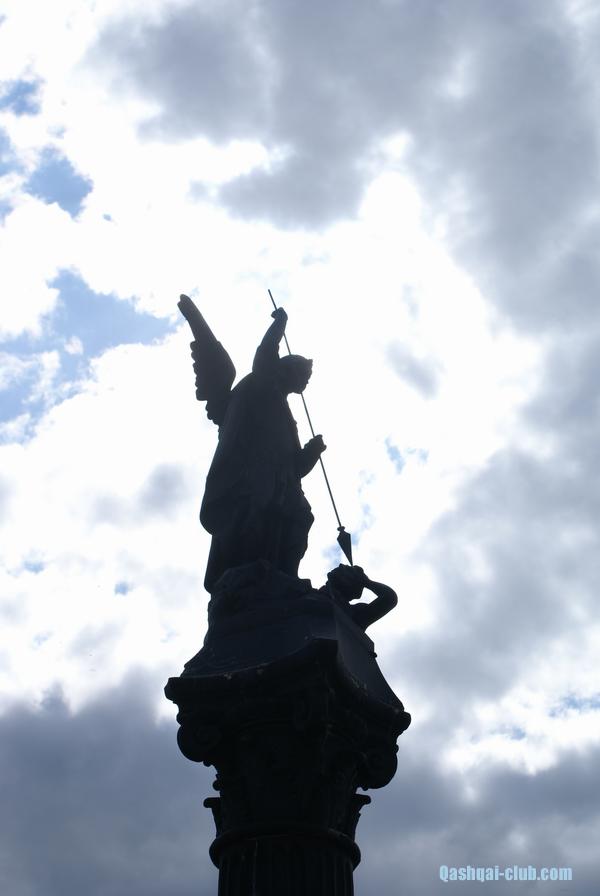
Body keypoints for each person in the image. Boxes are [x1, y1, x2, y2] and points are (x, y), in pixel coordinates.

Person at [198, 307, 326, 590]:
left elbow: (296, 466)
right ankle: (246, 571)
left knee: (300, 517)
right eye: (304, 375)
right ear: (287, 369)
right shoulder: (261, 384)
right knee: (255, 513)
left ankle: (285, 575)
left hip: (283, 482)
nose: (306, 382)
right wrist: (280, 324)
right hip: (252, 474)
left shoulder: (284, 409)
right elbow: (265, 354)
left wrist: (312, 452)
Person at [322, 564, 398, 631]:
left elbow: (389, 598)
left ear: (349, 583)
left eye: (348, 569)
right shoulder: (316, 593)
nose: (341, 565)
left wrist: (366, 582)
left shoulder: (354, 614)